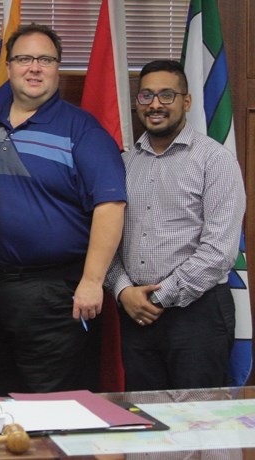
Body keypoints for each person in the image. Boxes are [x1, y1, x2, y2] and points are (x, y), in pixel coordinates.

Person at [0, 23, 127, 396]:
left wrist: (91, 281)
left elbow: (111, 205)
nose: (34, 68)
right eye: (24, 58)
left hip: (54, 296)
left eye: (45, 59)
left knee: (53, 408)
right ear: (10, 66)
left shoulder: (82, 129)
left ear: (57, 68)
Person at [106, 60, 245, 391]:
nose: (155, 105)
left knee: (202, 425)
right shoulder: (123, 163)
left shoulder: (215, 160)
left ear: (186, 101)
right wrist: (123, 290)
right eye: (146, 96)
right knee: (147, 422)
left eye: (166, 95)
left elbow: (219, 251)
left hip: (197, 315)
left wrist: (157, 299)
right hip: (135, 313)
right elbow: (106, 239)